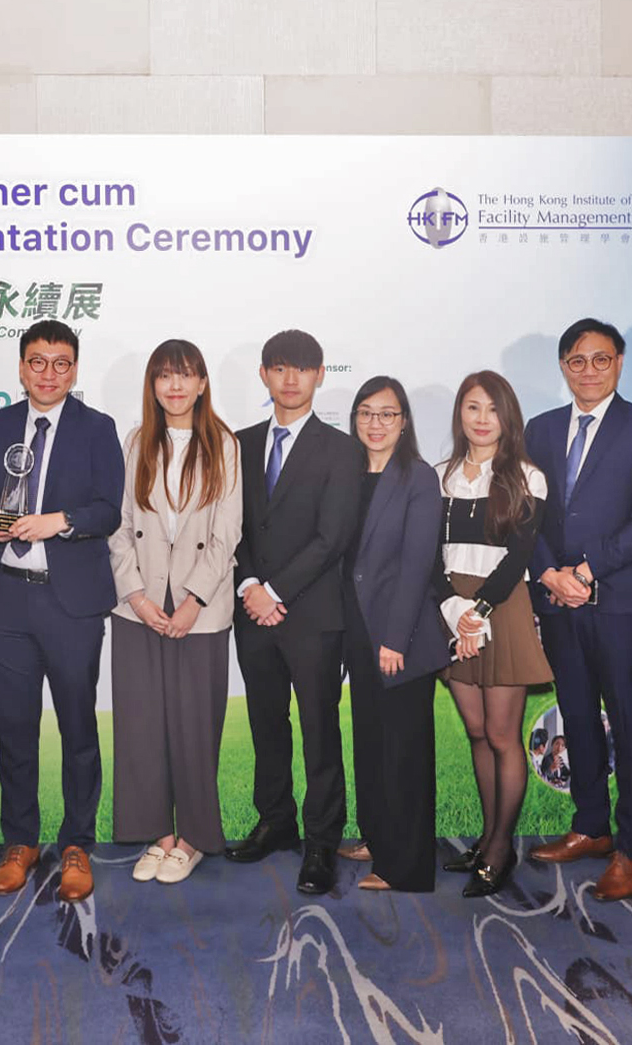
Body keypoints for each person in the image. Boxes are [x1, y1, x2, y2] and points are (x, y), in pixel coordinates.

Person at [0, 320, 123, 902]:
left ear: (75, 370)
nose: (49, 373)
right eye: (38, 361)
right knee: (14, 728)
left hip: (70, 602)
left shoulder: (97, 428)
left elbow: (108, 510)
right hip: (3, 599)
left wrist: (59, 521)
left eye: (61, 363)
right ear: (21, 367)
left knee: (78, 726)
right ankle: (21, 841)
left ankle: (78, 843)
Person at [524, 319, 632, 901]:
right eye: (578, 361)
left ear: (620, 362)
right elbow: (525, 513)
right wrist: (549, 573)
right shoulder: (540, 428)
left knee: (629, 721)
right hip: (557, 601)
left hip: (619, 601)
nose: (589, 370)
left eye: (601, 359)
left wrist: (585, 572)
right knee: (577, 714)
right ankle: (591, 825)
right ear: (564, 366)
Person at [224, 329, 363, 896]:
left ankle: (321, 841)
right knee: (266, 723)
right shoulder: (239, 443)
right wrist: (250, 586)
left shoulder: (342, 449)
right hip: (252, 612)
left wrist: (275, 591)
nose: (290, 379)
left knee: (319, 731)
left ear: (320, 375)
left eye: (302, 369)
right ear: (264, 375)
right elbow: (228, 527)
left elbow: (333, 538)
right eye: (279, 368)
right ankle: (275, 820)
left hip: (313, 616)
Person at [108, 340, 242, 884]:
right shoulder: (136, 441)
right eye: (165, 375)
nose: (176, 385)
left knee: (194, 726)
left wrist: (193, 601)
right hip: (138, 606)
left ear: (203, 383)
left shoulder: (225, 445)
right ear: (153, 385)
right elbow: (119, 526)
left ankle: (192, 839)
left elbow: (226, 533)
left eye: (186, 375)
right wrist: (137, 596)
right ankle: (158, 836)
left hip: (199, 610)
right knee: (141, 725)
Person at [431, 371, 554, 898]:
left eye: (492, 409)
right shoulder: (439, 476)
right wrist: (453, 607)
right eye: (472, 407)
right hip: (450, 609)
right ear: (460, 414)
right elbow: (429, 555)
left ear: (508, 417)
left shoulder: (527, 477)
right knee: (477, 732)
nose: (482, 419)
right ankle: (485, 837)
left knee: (503, 737)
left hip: (500, 608)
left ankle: (501, 848)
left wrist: (478, 612)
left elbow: (518, 558)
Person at [342, 376, 448, 893]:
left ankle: (406, 866)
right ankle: (378, 838)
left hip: (398, 637)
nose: (375, 423)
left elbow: (417, 564)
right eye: (366, 412)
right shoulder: (348, 473)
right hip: (357, 632)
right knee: (371, 742)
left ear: (404, 421)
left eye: (387, 414)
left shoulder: (419, 477)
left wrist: (395, 639)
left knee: (404, 751)